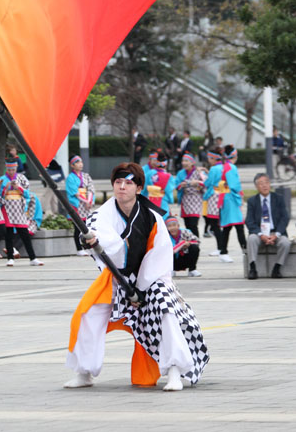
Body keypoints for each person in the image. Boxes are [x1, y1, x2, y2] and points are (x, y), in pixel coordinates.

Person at [65, 162, 209, 391]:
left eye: (128, 183)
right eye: (118, 182)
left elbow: (158, 256)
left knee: (166, 313)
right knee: (88, 313)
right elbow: (101, 241)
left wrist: (140, 289)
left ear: (139, 188)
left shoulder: (152, 218)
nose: (122, 187)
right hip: (115, 277)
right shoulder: (100, 215)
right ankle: (84, 371)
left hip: (151, 279)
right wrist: (91, 241)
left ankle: (174, 372)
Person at [203, 146, 246, 262]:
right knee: (238, 226)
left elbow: (209, 183)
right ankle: (245, 250)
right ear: (235, 156)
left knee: (227, 226)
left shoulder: (220, 167)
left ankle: (224, 251)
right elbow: (235, 185)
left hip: (222, 197)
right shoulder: (230, 167)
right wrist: (240, 196)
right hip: (230, 197)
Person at [245, 173, 291, 279]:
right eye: (261, 183)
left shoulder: (278, 198)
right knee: (251, 239)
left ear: (270, 184)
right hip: (259, 233)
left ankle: (277, 268)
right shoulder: (252, 201)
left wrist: (277, 234)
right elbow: (249, 221)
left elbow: (285, 218)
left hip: (275, 231)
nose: (264, 186)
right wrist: (261, 234)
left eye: (266, 182)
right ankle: (252, 268)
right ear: (257, 187)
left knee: (285, 242)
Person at [0, 158, 44, 266]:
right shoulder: (2, 179)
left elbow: (27, 194)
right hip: (7, 208)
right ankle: (10, 258)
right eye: (9, 169)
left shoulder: (22, 178)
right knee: (9, 235)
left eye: (13, 169)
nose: (11, 171)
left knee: (24, 234)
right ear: (6, 168)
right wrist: (6, 187)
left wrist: (18, 187)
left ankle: (33, 258)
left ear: (16, 168)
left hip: (19, 208)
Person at [66, 155, 96, 255]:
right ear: (72, 165)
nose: (81, 164)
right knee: (78, 228)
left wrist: (90, 201)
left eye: (81, 162)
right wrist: (86, 201)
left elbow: (91, 189)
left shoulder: (86, 176)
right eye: (78, 162)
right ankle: (79, 249)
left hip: (86, 204)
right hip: (77, 205)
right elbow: (75, 192)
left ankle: (88, 246)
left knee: (88, 227)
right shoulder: (70, 178)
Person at [174, 153, 207, 238]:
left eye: (186, 161)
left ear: (192, 163)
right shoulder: (180, 173)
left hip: (196, 199)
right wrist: (181, 185)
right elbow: (176, 185)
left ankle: (196, 243)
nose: (184, 163)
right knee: (187, 224)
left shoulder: (199, 172)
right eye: (183, 161)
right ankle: (190, 244)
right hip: (185, 199)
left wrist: (197, 183)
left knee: (193, 224)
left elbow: (207, 184)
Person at [143, 151, 174, 217]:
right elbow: (169, 191)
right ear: (165, 165)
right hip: (163, 201)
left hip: (150, 200)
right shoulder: (168, 176)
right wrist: (171, 200)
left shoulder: (149, 173)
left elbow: (144, 189)